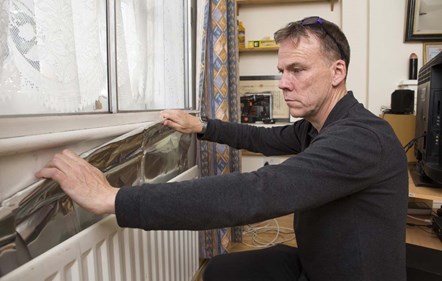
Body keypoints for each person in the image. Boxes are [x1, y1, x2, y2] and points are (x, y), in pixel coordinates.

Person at [36, 16, 408, 281]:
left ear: (337, 72)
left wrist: (115, 199)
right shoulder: (316, 128)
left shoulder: (362, 138)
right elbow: (260, 138)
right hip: (314, 264)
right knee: (218, 270)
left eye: (297, 70)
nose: (283, 83)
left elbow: (258, 191)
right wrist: (203, 127)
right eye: (281, 71)